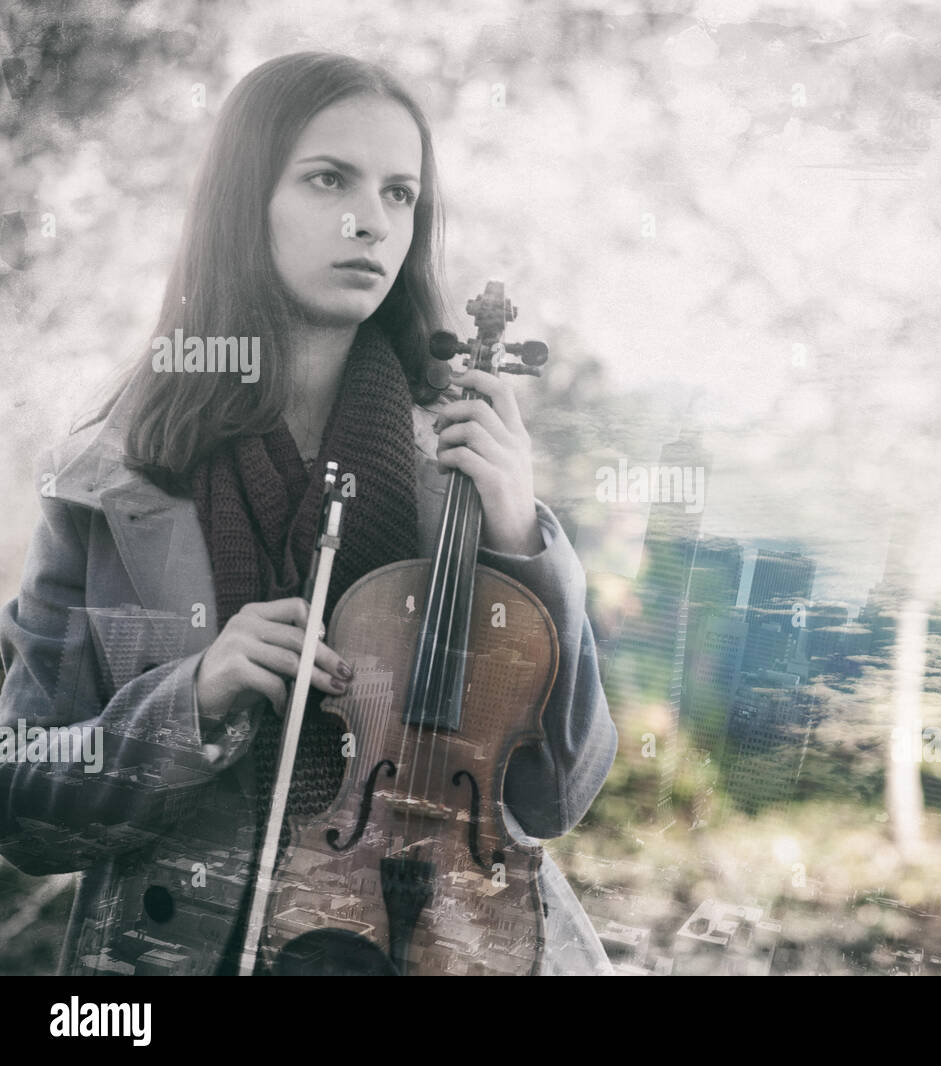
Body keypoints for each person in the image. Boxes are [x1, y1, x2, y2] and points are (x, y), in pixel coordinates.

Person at [0, 51, 618, 976]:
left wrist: (525, 545)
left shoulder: (457, 467)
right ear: (245, 201)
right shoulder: (108, 481)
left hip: (439, 944)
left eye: (401, 194)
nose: (370, 220)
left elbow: (551, 794)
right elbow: (28, 801)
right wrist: (191, 699)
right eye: (330, 178)